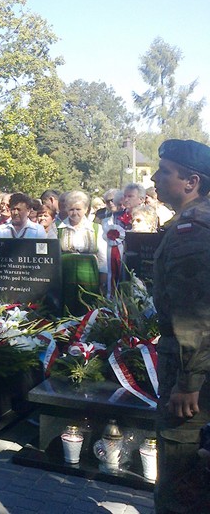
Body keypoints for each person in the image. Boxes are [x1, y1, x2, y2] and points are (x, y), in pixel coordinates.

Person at [150, 139, 210, 513]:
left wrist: (188, 383)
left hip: (193, 376)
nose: (154, 178)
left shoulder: (192, 231)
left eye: (164, 171)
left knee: (181, 474)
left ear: (191, 181)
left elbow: (196, 315)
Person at [57, 191, 108, 317]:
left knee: (88, 308)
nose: (75, 213)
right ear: (66, 209)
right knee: (66, 308)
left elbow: (103, 257)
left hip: (89, 276)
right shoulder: (58, 228)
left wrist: (103, 280)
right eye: (71, 209)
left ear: (86, 209)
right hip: (65, 276)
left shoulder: (96, 228)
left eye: (78, 209)